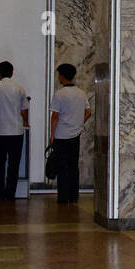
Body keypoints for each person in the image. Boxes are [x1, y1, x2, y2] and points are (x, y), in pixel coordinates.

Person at [0, 61, 29, 201]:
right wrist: (25, 122)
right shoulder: (19, 89)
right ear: (12, 73)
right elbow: (24, 111)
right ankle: (10, 193)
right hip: (16, 131)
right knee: (14, 164)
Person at [50, 63, 90, 204]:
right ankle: (74, 196)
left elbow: (55, 117)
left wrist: (52, 135)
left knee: (62, 167)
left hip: (61, 135)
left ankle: (63, 196)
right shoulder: (81, 93)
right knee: (73, 166)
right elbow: (88, 112)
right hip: (76, 134)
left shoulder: (59, 94)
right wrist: (79, 122)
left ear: (61, 76)